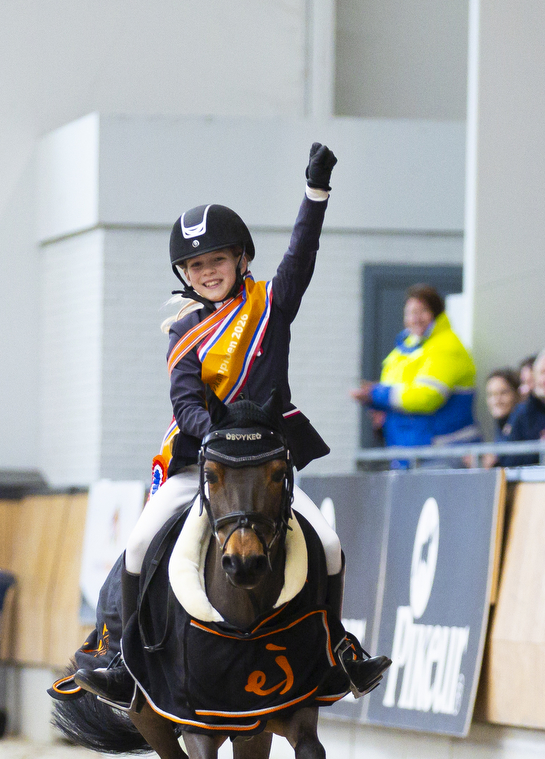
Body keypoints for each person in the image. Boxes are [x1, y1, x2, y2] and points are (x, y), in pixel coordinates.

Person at [75, 143, 387, 707]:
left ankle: (336, 650)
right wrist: (218, 440)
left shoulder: (272, 303)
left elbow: (302, 252)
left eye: (217, 260)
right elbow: (185, 405)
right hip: (203, 464)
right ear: (185, 275)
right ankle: (119, 656)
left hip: (265, 469)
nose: (208, 272)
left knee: (329, 544)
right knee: (140, 543)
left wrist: (315, 193)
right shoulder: (184, 332)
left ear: (241, 260)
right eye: (196, 266)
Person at [353, 283, 477, 463]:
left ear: (436, 313)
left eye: (423, 311)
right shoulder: (404, 348)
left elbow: (427, 397)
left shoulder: (446, 346)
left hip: (442, 453)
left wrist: (378, 394)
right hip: (406, 454)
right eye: (410, 312)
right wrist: (376, 404)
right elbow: (397, 394)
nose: (415, 318)